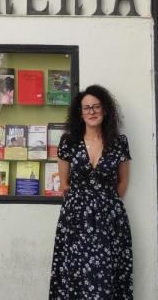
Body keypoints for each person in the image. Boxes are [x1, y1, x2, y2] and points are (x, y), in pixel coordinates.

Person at [49, 84, 132, 300]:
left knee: (106, 274)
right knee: (74, 274)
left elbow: (122, 182)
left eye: (96, 107)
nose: (92, 112)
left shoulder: (118, 143)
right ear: (80, 112)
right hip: (75, 220)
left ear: (105, 110)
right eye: (86, 108)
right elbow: (64, 184)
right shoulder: (69, 142)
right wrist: (82, 205)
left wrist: (106, 205)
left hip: (109, 220)